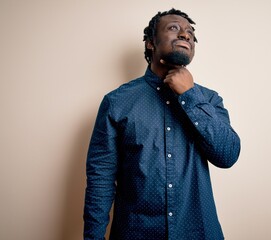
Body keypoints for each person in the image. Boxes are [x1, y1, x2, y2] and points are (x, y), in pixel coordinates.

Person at [83, 8, 241, 240]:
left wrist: (190, 95)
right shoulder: (117, 102)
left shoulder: (208, 100)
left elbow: (227, 155)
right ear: (150, 43)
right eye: (174, 28)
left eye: (190, 33)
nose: (185, 35)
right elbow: (100, 179)